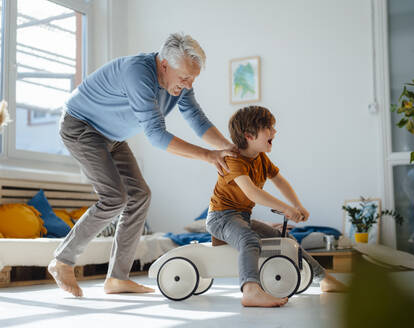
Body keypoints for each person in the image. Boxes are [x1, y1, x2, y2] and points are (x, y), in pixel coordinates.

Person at [48, 33, 237, 297]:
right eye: (184, 78)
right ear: (164, 65)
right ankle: (62, 261)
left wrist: (227, 148)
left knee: (140, 195)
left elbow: (195, 117)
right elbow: (157, 136)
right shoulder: (138, 73)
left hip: (112, 136)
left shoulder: (179, 82)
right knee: (114, 197)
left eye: (193, 79)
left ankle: (117, 278)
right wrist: (207, 156)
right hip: (81, 126)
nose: (188, 85)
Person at [206, 105, 346, 308]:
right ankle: (250, 291)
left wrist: (297, 205)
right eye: (268, 128)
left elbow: (280, 181)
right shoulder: (232, 160)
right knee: (249, 240)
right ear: (249, 135)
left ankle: (324, 279)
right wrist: (286, 209)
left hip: (241, 216)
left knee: (285, 239)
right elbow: (253, 192)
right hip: (221, 217)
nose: (274, 131)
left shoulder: (261, 158)